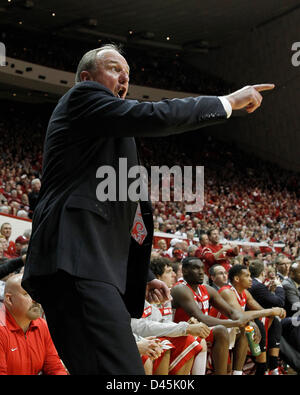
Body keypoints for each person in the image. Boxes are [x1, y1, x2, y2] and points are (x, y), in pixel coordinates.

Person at [21, 43, 275, 374]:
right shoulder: (81, 98)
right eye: (114, 69)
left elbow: (129, 209)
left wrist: (144, 275)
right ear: (86, 78)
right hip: (77, 261)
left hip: (84, 266)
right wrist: (227, 103)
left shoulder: (109, 132)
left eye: (127, 74)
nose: (124, 78)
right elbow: (156, 114)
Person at [209, 264, 286, 375]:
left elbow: (261, 311)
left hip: (232, 333)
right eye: (247, 276)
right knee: (246, 328)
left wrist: (278, 312)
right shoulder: (227, 292)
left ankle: (270, 366)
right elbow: (240, 316)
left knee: (269, 322)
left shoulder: (245, 293)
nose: (251, 279)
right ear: (236, 279)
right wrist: (270, 311)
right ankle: (262, 366)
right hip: (218, 332)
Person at [0, 274, 67, 375]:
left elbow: (55, 368)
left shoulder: (41, 325)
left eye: (37, 293)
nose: (36, 299)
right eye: (28, 294)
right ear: (9, 299)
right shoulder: (1, 329)